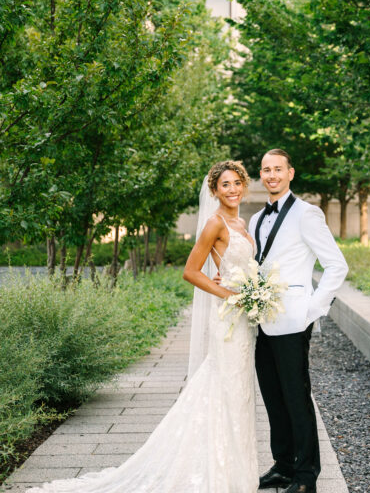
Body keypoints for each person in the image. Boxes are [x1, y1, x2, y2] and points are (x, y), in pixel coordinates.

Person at [26, 160, 259, 493]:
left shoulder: (242, 222)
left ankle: (236, 471)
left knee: (238, 392)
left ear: (244, 185)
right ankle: (218, 472)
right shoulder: (214, 223)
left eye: (237, 182)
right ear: (214, 190)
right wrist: (228, 294)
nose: (232, 189)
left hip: (244, 323)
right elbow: (191, 271)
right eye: (225, 184)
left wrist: (254, 289)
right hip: (227, 318)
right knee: (226, 387)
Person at [250, 149, 348, 493]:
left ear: (291, 173)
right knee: (273, 397)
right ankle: (283, 464)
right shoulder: (256, 218)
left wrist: (312, 308)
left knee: (296, 397)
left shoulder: (307, 214)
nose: (271, 175)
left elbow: (337, 266)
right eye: (265, 170)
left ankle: (306, 477)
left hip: (294, 321)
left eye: (278, 169)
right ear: (260, 175)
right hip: (261, 321)